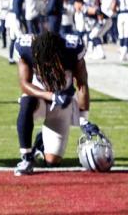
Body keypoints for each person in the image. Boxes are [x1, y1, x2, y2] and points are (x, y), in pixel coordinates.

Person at [12, 30, 100, 176]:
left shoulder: (72, 49)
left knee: (52, 161)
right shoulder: (26, 48)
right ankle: (26, 158)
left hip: (62, 103)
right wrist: (51, 96)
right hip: (39, 98)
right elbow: (24, 84)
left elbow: (82, 84)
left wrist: (83, 119)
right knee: (26, 102)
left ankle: (41, 142)